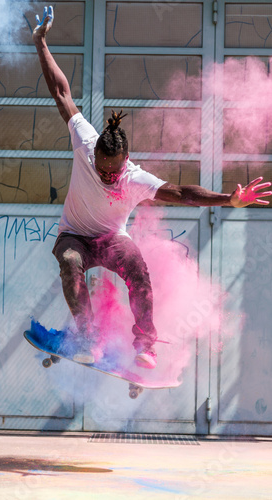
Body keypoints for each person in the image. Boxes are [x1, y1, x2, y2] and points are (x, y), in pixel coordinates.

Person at [33, 7, 272, 369]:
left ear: (126, 159)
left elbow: (183, 193)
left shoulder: (135, 178)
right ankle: (87, 337)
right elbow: (61, 92)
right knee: (69, 261)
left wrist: (229, 199)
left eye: (114, 172)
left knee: (138, 269)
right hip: (76, 235)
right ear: (94, 154)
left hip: (112, 239)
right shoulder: (84, 140)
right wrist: (40, 43)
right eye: (101, 169)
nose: (107, 176)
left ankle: (145, 344)